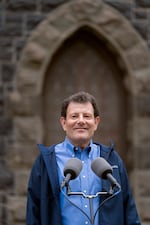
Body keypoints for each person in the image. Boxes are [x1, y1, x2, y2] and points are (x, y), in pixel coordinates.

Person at [26, 91, 141, 225]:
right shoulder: (45, 162)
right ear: (64, 123)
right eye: (74, 116)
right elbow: (33, 212)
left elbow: (129, 210)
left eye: (87, 116)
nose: (81, 121)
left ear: (96, 122)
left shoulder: (111, 160)